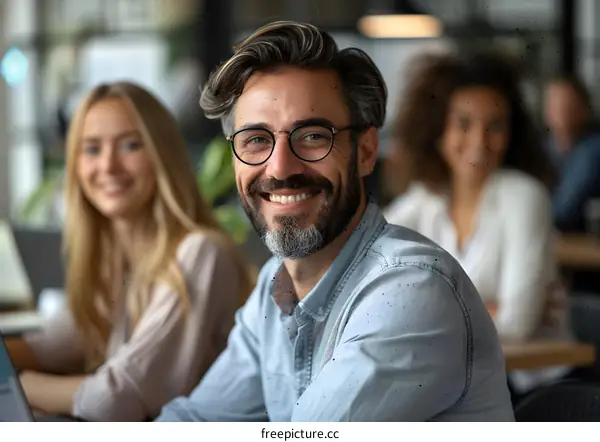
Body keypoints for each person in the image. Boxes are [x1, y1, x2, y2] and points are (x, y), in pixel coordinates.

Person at [155, 21, 514, 422]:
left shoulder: (412, 291)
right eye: (256, 139)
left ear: (365, 151)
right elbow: (195, 421)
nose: (280, 168)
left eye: (311, 136)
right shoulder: (276, 290)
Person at [5, 82, 253, 421]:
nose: (108, 165)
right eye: (91, 149)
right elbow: (57, 345)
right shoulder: (117, 257)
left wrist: (22, 385)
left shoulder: (201, 252)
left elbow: (118, 396)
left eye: (131, 145)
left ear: (162, 154)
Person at [383, 50, 572, 396]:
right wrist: (481, 309)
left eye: (495, 126)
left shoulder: (524, 197)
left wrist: (427, 310)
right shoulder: (426, 199)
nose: (479, 141)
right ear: (438, 130)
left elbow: (516, 323)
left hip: (533, 389)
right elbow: (372, 283)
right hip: (459, 377)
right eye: (464, 123)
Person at [543, 74, 600, 233]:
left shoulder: (592, 150)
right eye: (555, 105)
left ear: (585, 110)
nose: (561, 112)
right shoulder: (541, 148)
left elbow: (563, 212)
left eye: (568, 105)